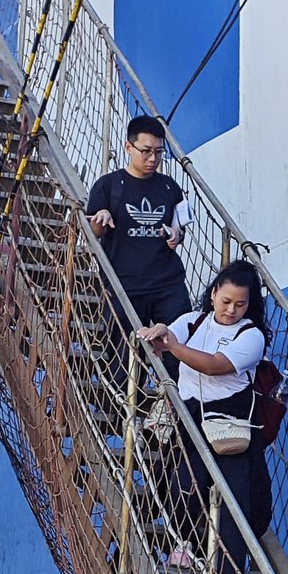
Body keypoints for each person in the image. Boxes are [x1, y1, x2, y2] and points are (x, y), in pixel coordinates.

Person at [136, 263, 273, 574]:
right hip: (190, 418)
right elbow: (172, 330)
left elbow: (214, 365)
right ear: (213, 294)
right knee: (183, 482)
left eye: (239, 304)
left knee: (233, 501)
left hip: (229, 424)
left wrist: (172, 349)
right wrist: (161, 332)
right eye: (225, 301)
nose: (230, 310)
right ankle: (185, 542)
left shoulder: (251, 335)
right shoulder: (194, 320)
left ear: (249, 306)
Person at [87, 114, 193, 384]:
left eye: (159, 152)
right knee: (122, 351)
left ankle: (173, 406)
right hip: (124, 284)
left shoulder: (170, 187)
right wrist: (101, 218)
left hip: (167, 283)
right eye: (146, 151)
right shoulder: (109, 185)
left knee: (178, 343)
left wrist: (175, 236)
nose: (153, 159)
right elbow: (93, 231)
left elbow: (179, 226)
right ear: (128, 147)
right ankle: (122, 408)